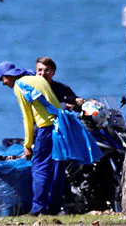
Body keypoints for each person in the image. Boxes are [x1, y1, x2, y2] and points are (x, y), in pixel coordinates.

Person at [34, 56, 103, 215]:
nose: (43, 74)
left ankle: (53, 209)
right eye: (39, 70)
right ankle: (39, 208)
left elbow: (76, 103)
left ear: (53, 72)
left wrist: (81, 104)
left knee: (59, 173)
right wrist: (66, 104)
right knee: (43, 172)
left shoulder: (61, 88)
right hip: (44, 132)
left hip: (62, 134)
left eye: (47, 70)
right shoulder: (33, 87)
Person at [0, 61, 60, 215]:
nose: (3, 83)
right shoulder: (37, 79)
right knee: (57, 168)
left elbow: (27, 118)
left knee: (39, 168)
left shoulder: (20, 86)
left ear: (9, 76)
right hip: (60, 126)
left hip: (45, 128)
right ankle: (54, 208)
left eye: (2, 79)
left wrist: (28, 145)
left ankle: (37, 209)